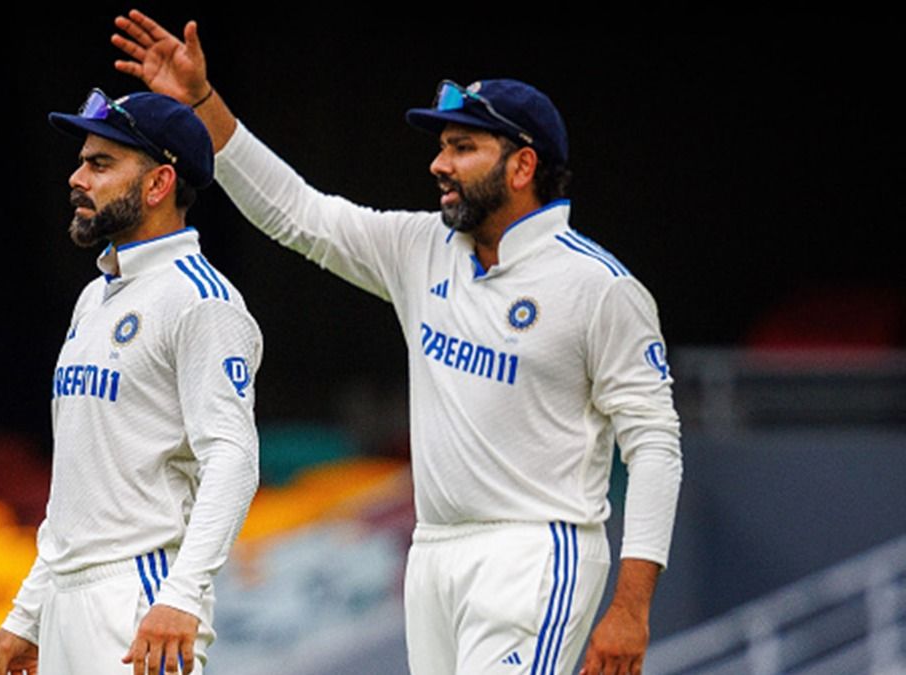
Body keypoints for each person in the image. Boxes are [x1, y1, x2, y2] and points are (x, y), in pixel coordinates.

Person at [111, 10, 682, 675]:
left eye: (463, 147)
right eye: (441, 145)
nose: (439, 164)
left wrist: (632, 606)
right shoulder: (421, 249)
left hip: (536, 555)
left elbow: (656, 447)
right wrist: (202, 106)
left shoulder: (600, 287)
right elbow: (298, 213)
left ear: (523, 164)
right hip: (433, 554)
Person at [0, 88, 263, 675]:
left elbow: (233, 458)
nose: (77, 177)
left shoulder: (200, 301)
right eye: (84, 160)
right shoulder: (94, 298)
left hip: (140, 593)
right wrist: (29, 611)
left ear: (159, 184)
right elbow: (81, 481)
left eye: (101, 163)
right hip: (66, 596)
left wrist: (181, 595)